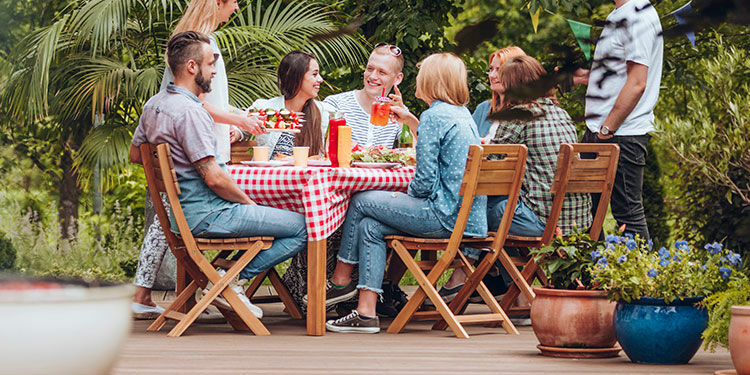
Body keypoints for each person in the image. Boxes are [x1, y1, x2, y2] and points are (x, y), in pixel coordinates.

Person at [130, 31, 307, 319]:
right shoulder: (192, 113)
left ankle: (226, 279)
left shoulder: (154, 105)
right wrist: (248, 203)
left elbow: (136, 155)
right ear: (191, 67)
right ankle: (230, 280)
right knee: (303, 226)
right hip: (208, 214)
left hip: (179, 217)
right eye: (210, 63)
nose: (214, 70)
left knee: (281, 220)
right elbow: (213, 178)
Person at [321, 53, 487, 333]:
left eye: (421, 75)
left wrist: (400, 196)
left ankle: (340, 279)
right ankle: (365, 312)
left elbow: (422, 184)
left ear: (433, 81)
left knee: (361, 199)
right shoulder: (461, 114)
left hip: (444, 216)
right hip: (467, 219)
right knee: (370, 226)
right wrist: (411, 120)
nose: (416, 80)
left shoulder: (434, 115)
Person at [439, 55, 593, 306]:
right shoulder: (561, 114)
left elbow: (489, 165)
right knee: (499, 209)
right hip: (576, 222)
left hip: (542, 222)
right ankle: (517, 295)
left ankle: (461, 278)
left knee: (475, 209)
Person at [573, 0, 663, 241]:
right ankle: (593, 277)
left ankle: (641, 278)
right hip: (600, 131)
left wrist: (607, 128)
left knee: (628, 216)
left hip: (620, 134)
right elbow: (622, 73)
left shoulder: (637, 15)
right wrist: (588, 77)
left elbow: (637, 83)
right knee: (583, 213)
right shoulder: (620, 14)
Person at [323, 43, 411, 147]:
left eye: (382, 72)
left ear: (397, 79)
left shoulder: (399, 111)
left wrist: (405, 119)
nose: (373, 76)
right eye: (370, 69)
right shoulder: (336, 104)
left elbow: (414, 153)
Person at [252, 51, 335, 159]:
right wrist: (238, 133)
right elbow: (243, 124)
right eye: (314, 74)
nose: (320, 79)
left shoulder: (325, 112)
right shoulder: (265, 108)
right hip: (268, 175)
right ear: (297, 77)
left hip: (306, 175)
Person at [471, 46, 527, 142]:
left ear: (516, 74)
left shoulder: (527, 111)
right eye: (491, 69)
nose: (492, 75)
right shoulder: (483, 109)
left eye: (499, 70)